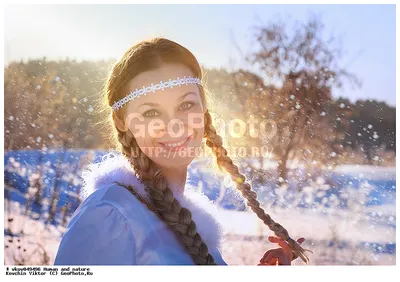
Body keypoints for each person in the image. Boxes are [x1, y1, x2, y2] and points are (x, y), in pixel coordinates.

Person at [54, 37, 308, 265]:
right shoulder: (110, 216)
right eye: (151, 112)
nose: (174, 125)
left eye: (186, 104)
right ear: (122, 121)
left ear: (203, 108)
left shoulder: (191, 224)